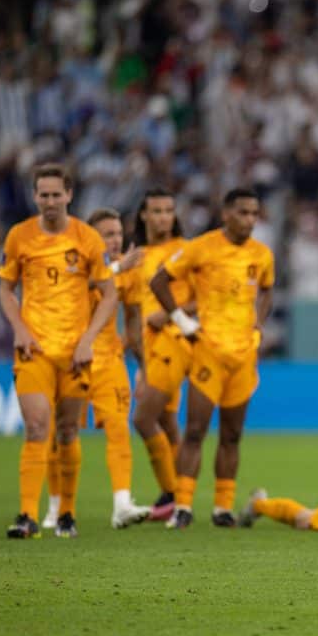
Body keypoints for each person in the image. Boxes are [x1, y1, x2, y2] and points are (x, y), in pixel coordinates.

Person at [0, 164, 119, 539]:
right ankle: (27, 516)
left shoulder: (87, 239)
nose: (49, 201)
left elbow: (110, 293)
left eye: (56, 194)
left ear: (69, 195)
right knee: (37, 427)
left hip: (74, 353)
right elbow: (5, 288)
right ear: (35, 197)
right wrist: (19, 329)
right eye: (43, 194)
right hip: (34, 350)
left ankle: (66, 512)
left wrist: (87, 340)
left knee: (67, 431)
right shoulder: (19, 236)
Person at [150, 188, 274, 530]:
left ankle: (222, 508)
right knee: (195, 431)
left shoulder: (262, 254)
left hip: (243, 355)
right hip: (209, 352)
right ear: (226, 214)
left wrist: (258, 323)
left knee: (232, 435)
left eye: (254, 213)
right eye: (243, 212)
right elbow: (158, 280)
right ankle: (183, 506)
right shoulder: (201, 248)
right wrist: (181, 320)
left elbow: (267, 290)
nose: (250, 220)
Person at [41, 209, 150, 530]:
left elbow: (132, 317)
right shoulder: (74, 263)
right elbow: (74, 287)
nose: (115, 240)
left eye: (118, 233)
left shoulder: (130, 272)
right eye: (107, 234)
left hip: (108, 361)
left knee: (119, 427)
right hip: (68, 359)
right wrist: (115, 267)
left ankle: (122, 503)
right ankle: (55, 506)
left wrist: (140, 362)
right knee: (59, 434)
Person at [119, 188, 195, 521]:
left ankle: (173, 493)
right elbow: (133, 311)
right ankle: (180, 496)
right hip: (148, 349)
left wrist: (169, 313)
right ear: (144, 216)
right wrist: (136, 356)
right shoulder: (136, 257)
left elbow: (205, 297)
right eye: (157, 211)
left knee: (142, 418)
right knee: (165, 420)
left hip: (174, 341)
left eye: (168, 210)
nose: (163, 216)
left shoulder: (184, 251)